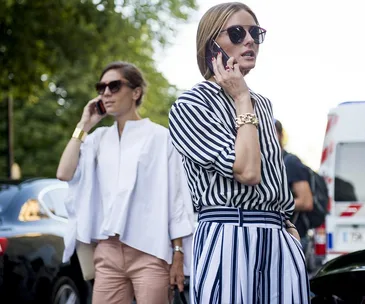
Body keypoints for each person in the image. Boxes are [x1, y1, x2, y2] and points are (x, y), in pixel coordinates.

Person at [168, 2, 310, 303]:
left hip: (277, 238)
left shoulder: (263, 104)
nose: (249, 40)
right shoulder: (191, 105)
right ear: (211, 44)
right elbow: (247, 171)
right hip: (228, 232)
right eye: (236, 32)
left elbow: (272, 176)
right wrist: (241, 97)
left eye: (255, 33)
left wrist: (288, 226)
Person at [56, 61, 195, 304]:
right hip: (108, 252)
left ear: (136, 92)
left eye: (114, 86)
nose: (106, 93)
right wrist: (84, 125)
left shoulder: (161, 137)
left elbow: (176, 201)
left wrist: (178, 253)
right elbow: (64, 173)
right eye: (101, 87)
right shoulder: (98, 139)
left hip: (150, 251)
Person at [275, 119, 314, 251]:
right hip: (280, 233)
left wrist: (272, 205)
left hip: (294, 234)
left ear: (279, 135)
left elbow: (306, 201)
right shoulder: (269, 162)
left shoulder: (290, 162)